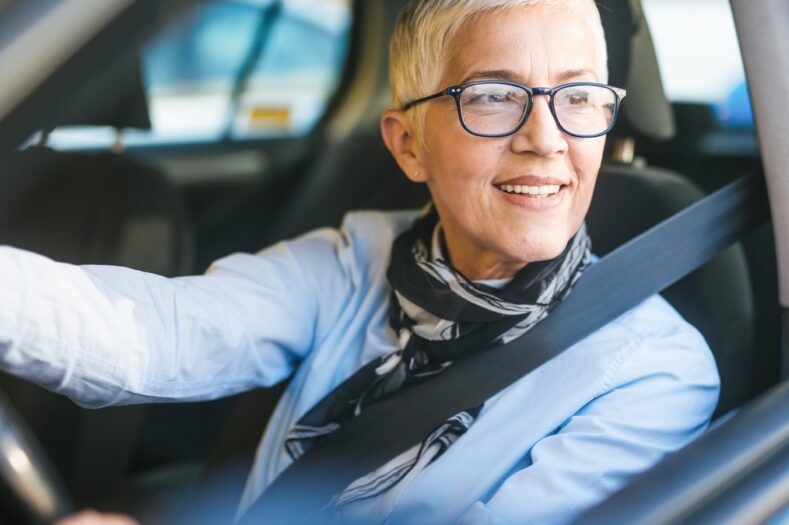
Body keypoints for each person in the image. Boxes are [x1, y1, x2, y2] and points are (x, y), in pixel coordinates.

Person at [0, 0, 719, 523]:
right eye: (495, 96)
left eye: (579, 97)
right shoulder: (356, 258)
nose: (546, 137)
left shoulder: (653, 371)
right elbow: (157, 333)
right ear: (408, 145)